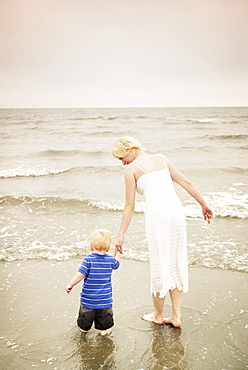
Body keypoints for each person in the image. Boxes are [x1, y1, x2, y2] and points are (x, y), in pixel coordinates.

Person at [112, 136, 213, 327]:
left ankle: (158, 315)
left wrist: (121, 234)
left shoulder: (131, 171)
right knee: (176, 262)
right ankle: (176, 316)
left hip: (158, 218)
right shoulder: (162, 158)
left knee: (160, 264)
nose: (122, 162)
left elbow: (129, 206)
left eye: (120, 157)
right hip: (176, 214)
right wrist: (204, 204)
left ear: (129, 149)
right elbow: (186, 182)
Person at [66, 229, 121, 336]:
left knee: (85, 318)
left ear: (91, 246)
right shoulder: (110, 260)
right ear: (108, 248)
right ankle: (104, 331)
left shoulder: (88, 260)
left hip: (88, 300)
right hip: (104, 300)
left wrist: (71, 284)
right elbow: (117, 264)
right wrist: (118, 252)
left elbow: (80, 274)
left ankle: (84, 329)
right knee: (104, 319)